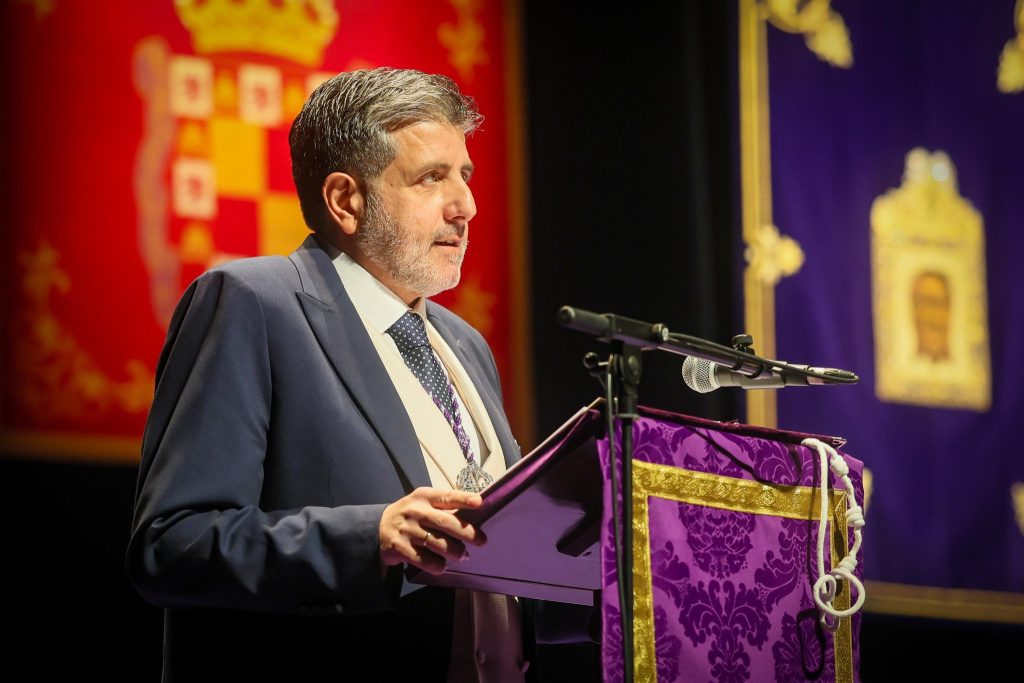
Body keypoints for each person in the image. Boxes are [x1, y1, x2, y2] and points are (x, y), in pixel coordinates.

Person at [127, 67, 535, 682]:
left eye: (465, 176)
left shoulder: (466, 345)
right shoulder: (253, 303)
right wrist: (367, 536)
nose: (466, 206)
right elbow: (173, 545)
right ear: (346, 200)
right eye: (432, 177)